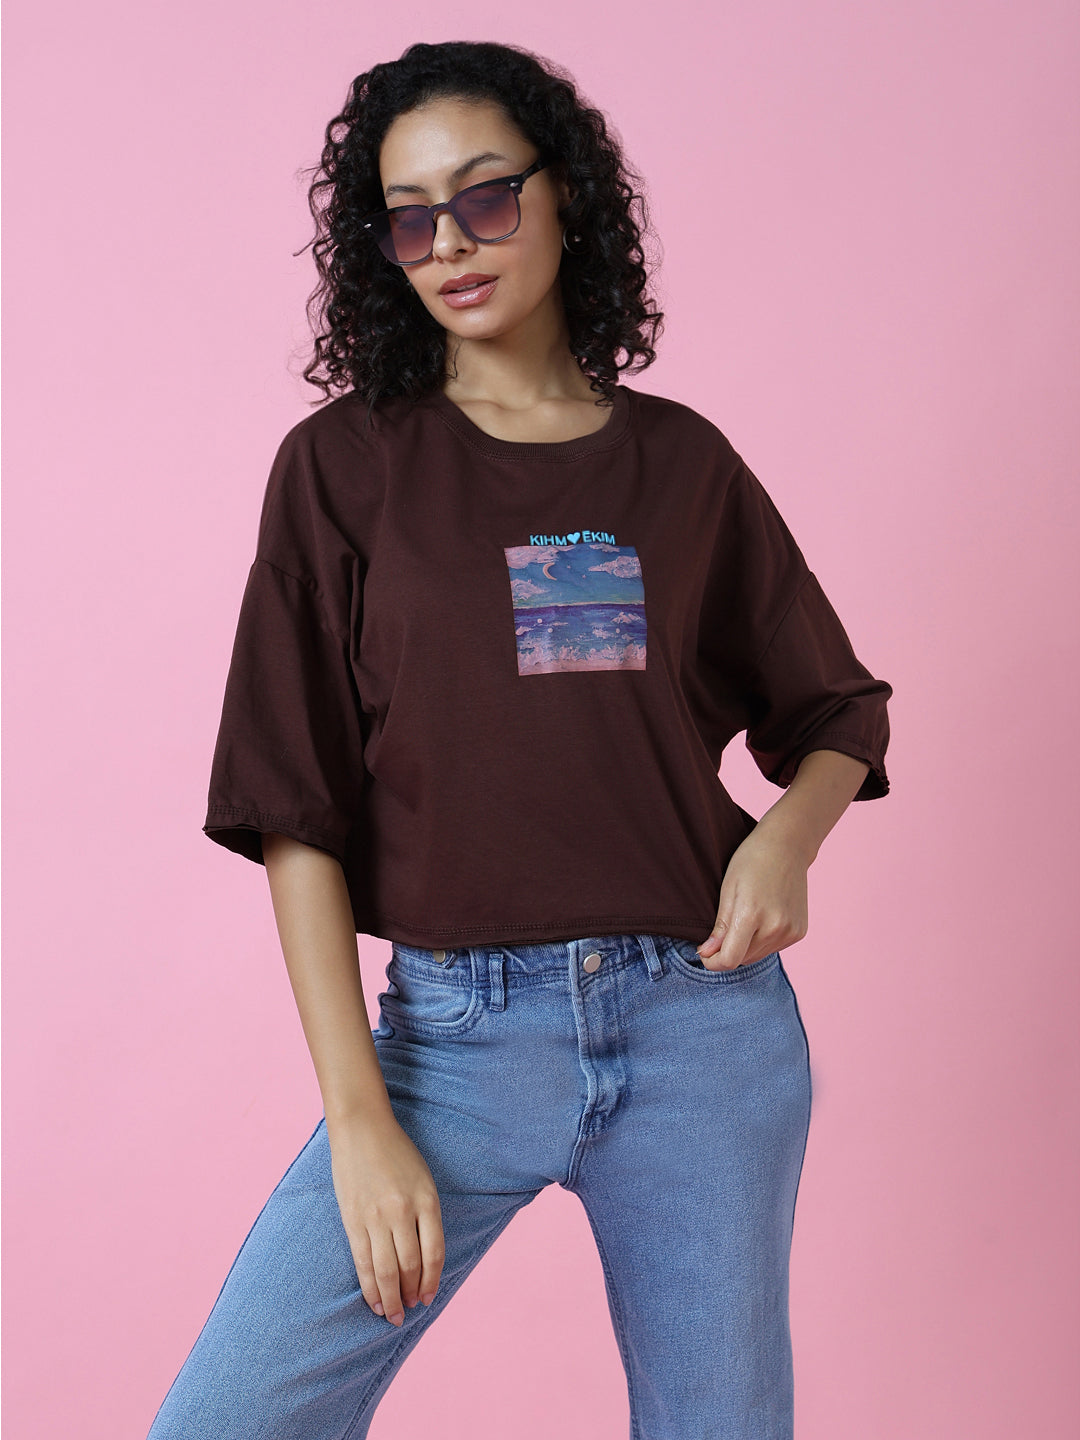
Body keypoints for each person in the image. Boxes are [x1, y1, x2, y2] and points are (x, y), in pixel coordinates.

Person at [146, 38, 892, 1440]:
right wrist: (360, 1119)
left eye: (484, 198)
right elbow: (292, 805)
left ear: (567, 199)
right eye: (408, 218)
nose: (448, 244)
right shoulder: (346, 468)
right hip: (454, 1048)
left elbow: (837, 710)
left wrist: (786, 841)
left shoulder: (682, 466)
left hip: (701, 1028)